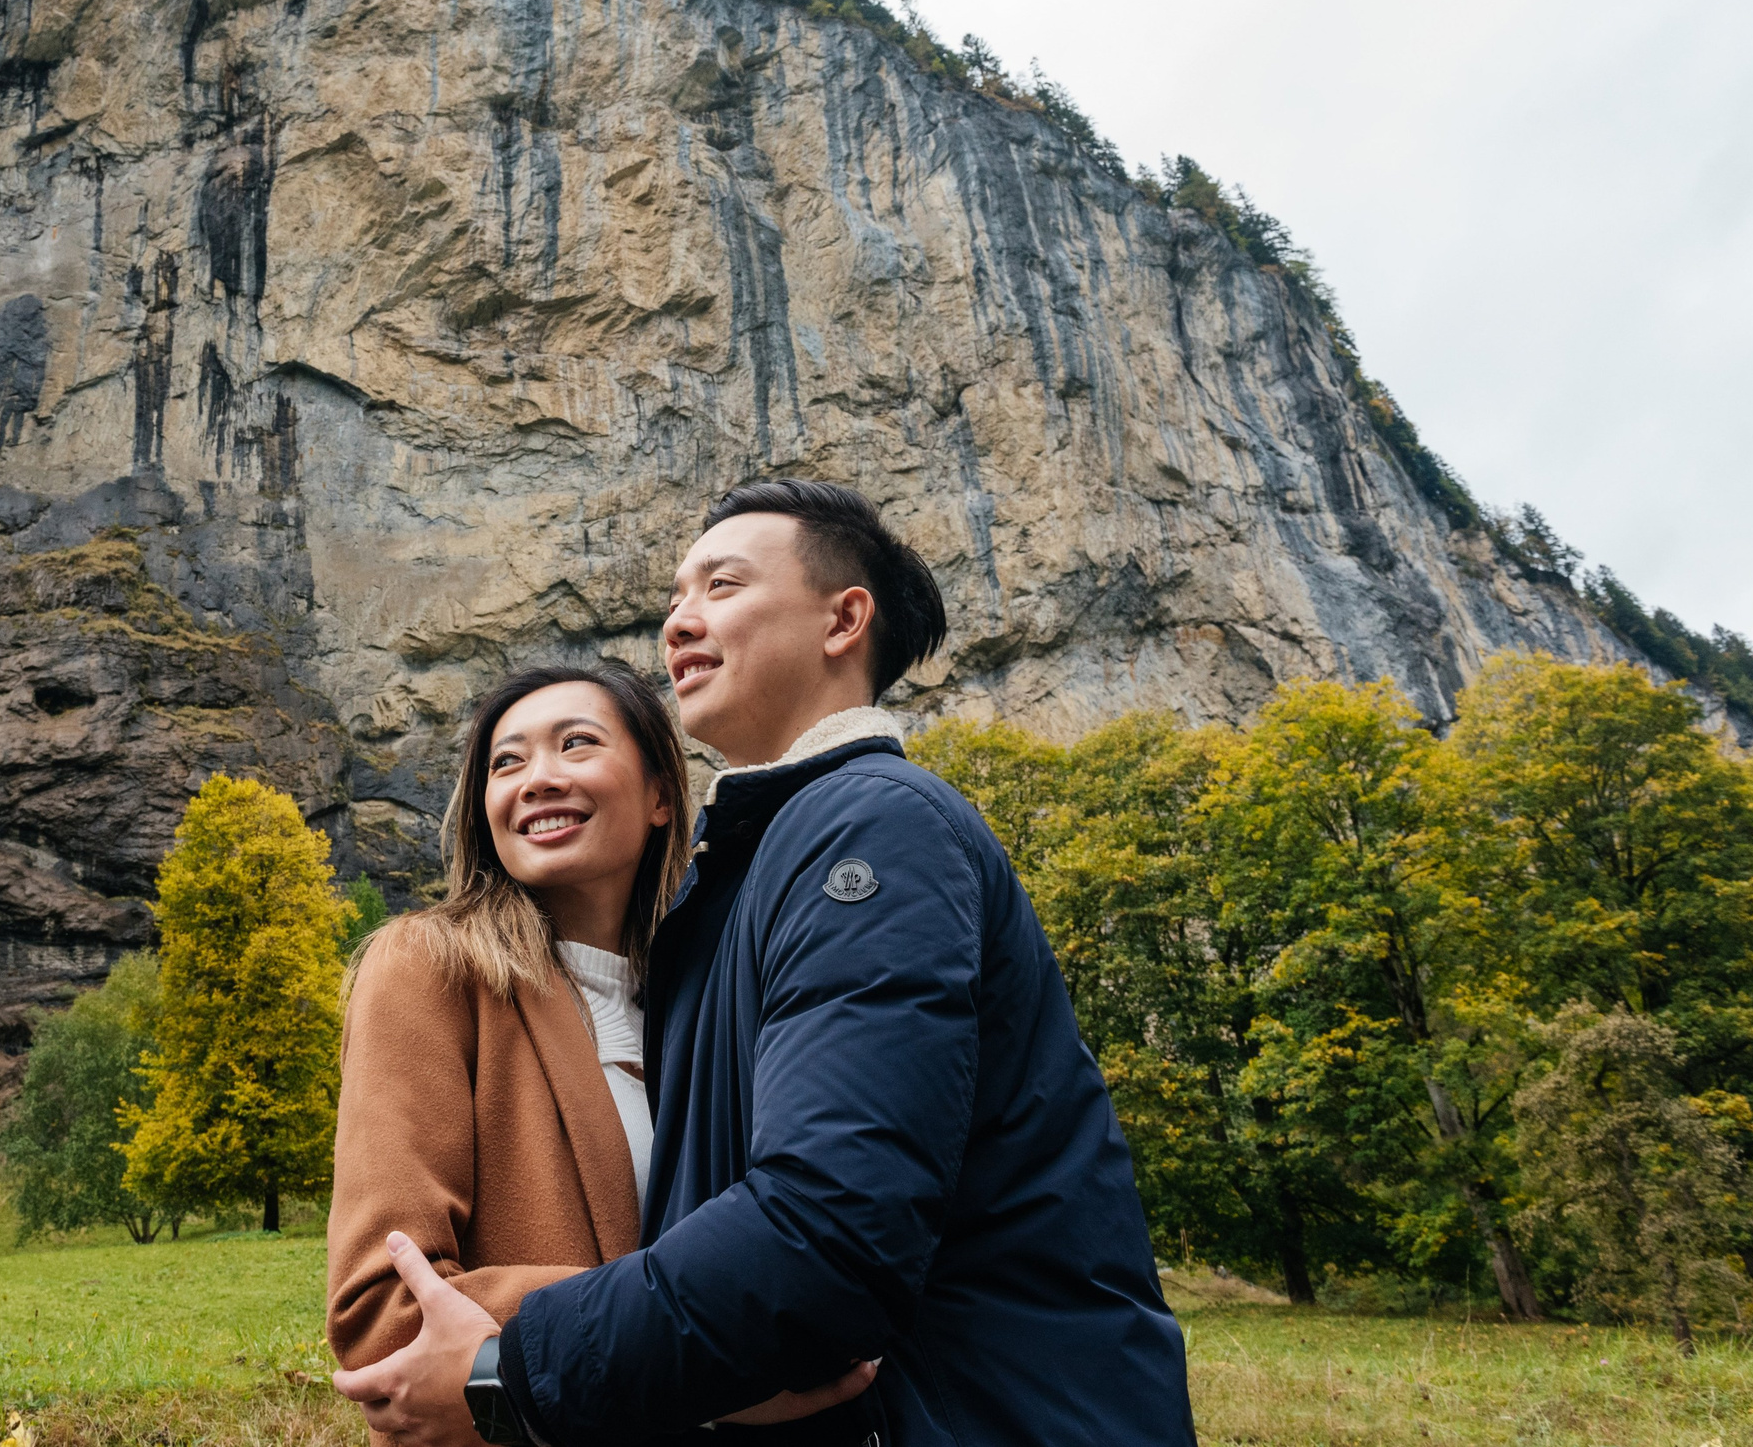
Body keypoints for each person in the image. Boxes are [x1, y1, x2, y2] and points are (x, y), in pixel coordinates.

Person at [333, 480, 1195, 1447]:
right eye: (673, 598)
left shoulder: (869, 828)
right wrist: (720, 1375)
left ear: (844, 620)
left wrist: (519, 1367)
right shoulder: (734, 902)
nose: (677, 621)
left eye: (721, 585)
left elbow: (826, 1233)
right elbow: (392, 1305)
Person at [330, 663, 866, 1433]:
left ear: (660, 795)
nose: (537, 778)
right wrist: (706, 1359)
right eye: (506, 761)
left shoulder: (714, 995)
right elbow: (382, 1308)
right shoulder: (426, 967)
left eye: (576, 743)